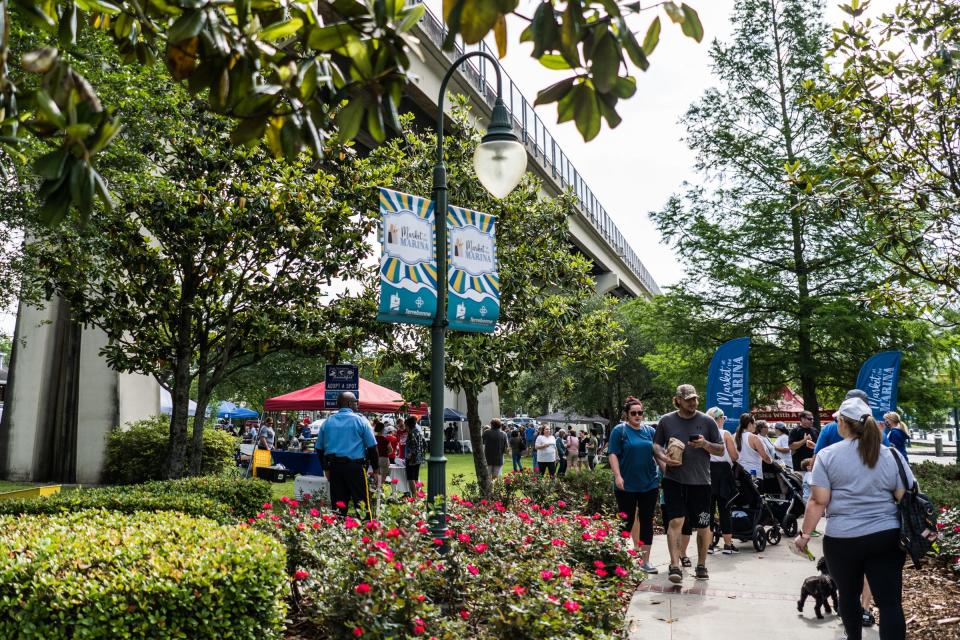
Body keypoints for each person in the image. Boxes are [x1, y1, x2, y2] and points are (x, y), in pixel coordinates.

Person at [794, 396, 914, 640]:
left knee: (848, 596)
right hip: (886, 537)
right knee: (890, 603)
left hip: (842, 539)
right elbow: (905, 495)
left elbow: (818, 501)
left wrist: (804, 536)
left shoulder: (828, 456)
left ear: (842, 423)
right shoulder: (891, 455)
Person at [652, 384, 724, 584]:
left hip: (701, 482)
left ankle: (701, 564)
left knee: (703, 524)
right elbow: (656, 445)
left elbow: (721, 450)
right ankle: (675, 565)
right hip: (674, 480)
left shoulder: (707, 421)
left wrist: (705, 444)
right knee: (675, 522)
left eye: (695, 399)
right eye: (688, 399)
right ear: (678, 400)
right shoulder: (666, 421)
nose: (693, 402)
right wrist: (663, 460)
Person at [608, 397, 660, 574]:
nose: (638, 416)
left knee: (647, 522)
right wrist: (617, 476)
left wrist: (667, 468)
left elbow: (657, 453)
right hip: (626, 485)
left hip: (649, 483)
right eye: (634, 413)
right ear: (626, 415)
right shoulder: (619, 431)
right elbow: (613, 454)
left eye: (640, 412)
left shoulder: (649, 431)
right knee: (626, 522)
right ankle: (622, 559)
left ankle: (645, 561)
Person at [315, 392, 378, 518]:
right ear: (349, 403)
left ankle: (338, 533)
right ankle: (367, 531)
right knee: (362, 504)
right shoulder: (361, 421)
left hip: (335, 468)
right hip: (355, 468)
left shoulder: (327, 422)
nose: (357, 404)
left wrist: (326, 468)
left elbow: (319, 449)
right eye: (355, 402)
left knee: (338, 505)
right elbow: (372, 447)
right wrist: (376, 470)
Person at [705, 407, 740, 554]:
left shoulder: (704, 435)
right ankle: (727, 544)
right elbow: (734, 456)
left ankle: (708, 545)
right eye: (722, 418)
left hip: (707, 471)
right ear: (719, 419)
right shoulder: (725, 434)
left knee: (708, 510)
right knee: (725, 509)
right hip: (723, 472)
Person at [734, 413, 771, 482]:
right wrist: (771, 462)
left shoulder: (733, 436)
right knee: (755, 491)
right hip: (754, 473)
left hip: (739, 473)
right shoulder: (754, 438)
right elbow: (765, 457)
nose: (755, 426)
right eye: (754, 423)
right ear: (750, 424)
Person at [404, 416, 427, 490]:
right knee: (416, 477)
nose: (405, 428)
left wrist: (410, 454)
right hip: (419, 458)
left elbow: (413, 445)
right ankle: (418, 495)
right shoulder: (419, 432)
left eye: (406, 426)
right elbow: (425, 444)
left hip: (412, 459)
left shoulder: (411, 433)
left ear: (408, 425)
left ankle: (414, 495)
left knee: (411, 478)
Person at [373, 419, 394, 487]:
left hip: (375, 459)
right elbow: (391, 450)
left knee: (376, 475)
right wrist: (385, 453)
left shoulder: (373, 438)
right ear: (382, 429)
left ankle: (376, 489)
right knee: (383, 476)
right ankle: (379, 489)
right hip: (384, 458)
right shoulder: (386, 440)